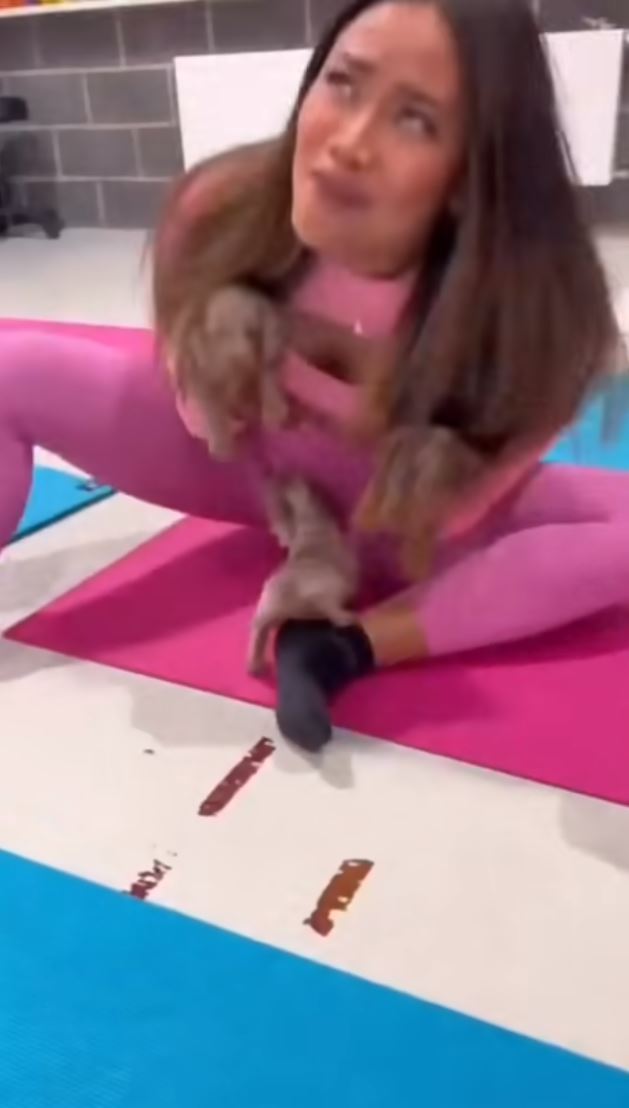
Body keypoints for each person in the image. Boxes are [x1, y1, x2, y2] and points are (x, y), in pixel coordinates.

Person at [0, 0, 625, 753]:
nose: (348, 142)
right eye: (342, 83)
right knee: (11, 366)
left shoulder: (541, 311)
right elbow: (203, 424)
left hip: (400, 522)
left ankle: (349, 646)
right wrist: (215, 362)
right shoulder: (217, 207)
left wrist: (362, 511)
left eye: (415, 120)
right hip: (248, 472)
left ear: (470, 171)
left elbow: (452, 519)